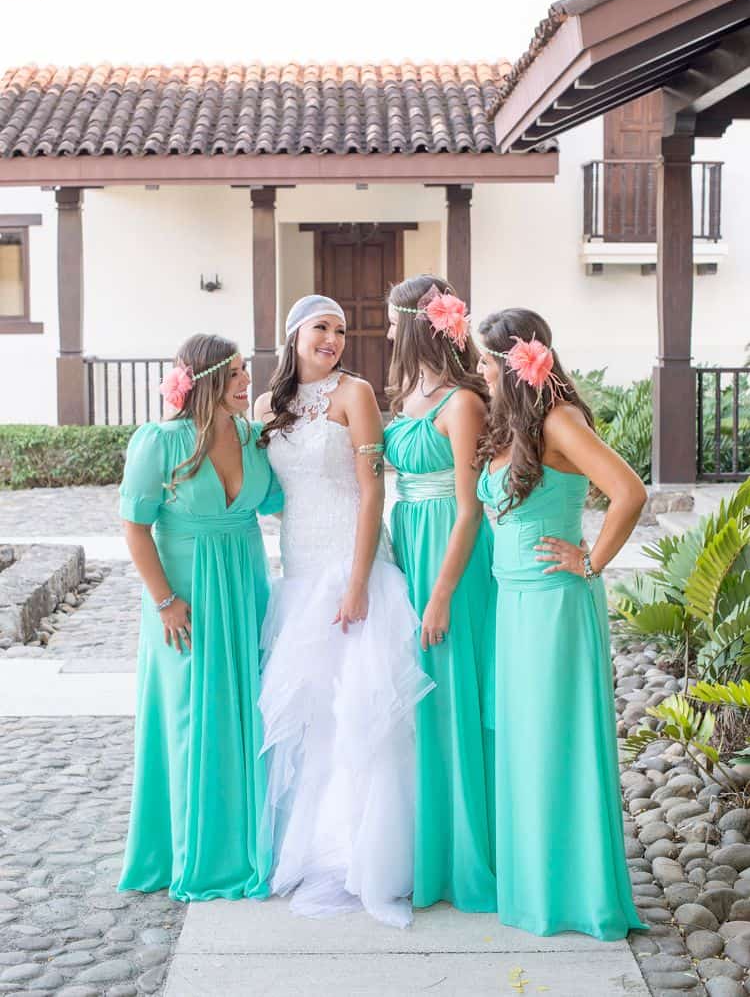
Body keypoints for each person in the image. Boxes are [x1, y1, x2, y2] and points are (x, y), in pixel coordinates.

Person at [254, 294, 434, 928]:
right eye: (320, 329)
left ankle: (378, 860)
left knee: (366, 711)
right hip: (299, 573)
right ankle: (316, 847)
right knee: (314, 719)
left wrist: (357, 582)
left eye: (339, 329)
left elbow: (371, 492)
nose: (333, 338)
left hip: (354, 570)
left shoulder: (356, 394)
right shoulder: (264, 408)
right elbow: (265, 493)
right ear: (293, 334)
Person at [476, 307, 648, 939]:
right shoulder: (515, 423)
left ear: (511, 362)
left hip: (553, 602)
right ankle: (539, 884)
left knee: (557, 739)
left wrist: (592, 560)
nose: (480, 371)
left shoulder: (559, 420)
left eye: (486, 361)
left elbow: (628, 492)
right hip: (514, 604)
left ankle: (574, 891)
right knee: (527, 742)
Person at [118, 334, 282, 902]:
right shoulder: (158, 442)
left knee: (248, 713)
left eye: (246, 372)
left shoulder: (252, 436)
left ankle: (248, 846)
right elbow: (135, 527)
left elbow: (285, 502)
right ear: (207, 379)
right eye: (236, 374)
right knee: (190, 717)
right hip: (184, 598)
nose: (246, 382)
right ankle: (191, 850)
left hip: (246, 587)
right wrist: (164, 600)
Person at [383, 275, 496, 912]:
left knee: (451, 692)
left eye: (396, 322)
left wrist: (442, 594)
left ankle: (463, 856)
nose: (390, 333)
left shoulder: (461, 402)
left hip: (450, 557)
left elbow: (470, 509)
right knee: (419, 702)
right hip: (408, 545)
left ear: (419, 325)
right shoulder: (405, 395)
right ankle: (427, 845)